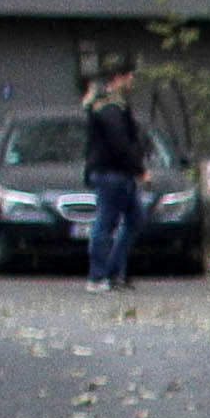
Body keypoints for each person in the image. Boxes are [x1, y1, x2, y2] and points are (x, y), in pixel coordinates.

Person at [78, 73, 148, 290]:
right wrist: (138, 169)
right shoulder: (110, 108)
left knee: (134, 218)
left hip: (116, 172)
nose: (132, 82)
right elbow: (119, 143)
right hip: (112, 172)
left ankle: (113, 270)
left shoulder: (112, 106)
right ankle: (98, 276)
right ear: (118, 79)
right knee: (106, 223)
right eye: (129, 77)